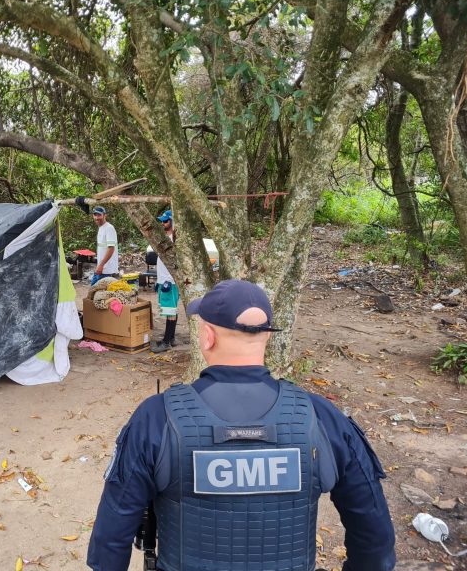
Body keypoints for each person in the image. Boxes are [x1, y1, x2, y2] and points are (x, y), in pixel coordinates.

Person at [87, 279, 395, 571]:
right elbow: (374, 538)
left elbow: (112, 535)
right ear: (268, 337)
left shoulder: (156, 417)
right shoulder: (322, 418)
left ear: (207, 336)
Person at [151, 210, 178, 353]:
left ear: (173, 222)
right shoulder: (165, 237)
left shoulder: (175, 238)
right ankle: (170, 337)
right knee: (169, 309)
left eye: (165, 221)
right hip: (163, 277)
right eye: (162, 221)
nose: (163, 223)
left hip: (169, 279)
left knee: (170, 310)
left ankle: (167, 341)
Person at [92, 206, 119, 285]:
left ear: (105, 215)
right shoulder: (101, 228)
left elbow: (111, 248)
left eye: (99, 215)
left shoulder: (109, 228)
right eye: (95, 215)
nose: (97, 217)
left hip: (106, 269)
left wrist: (101, 265)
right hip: (102, 268)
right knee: (94, 292)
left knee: (96, 292)